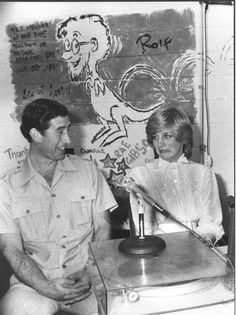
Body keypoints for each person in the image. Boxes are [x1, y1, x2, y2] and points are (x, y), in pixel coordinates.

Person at [0, 98, 118, 315]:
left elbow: (103, 227)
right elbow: (12, 249)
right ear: (36, 135)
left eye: (68, 130)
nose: (67, 139)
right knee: (14, 309)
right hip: (34, 285)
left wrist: (91, 272)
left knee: (127, 307)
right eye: (60, 131)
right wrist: (45, 286)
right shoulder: (7, 186)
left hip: (87, 280)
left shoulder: (89, 171)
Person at [128, 106, 224, 244]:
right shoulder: (140, 175)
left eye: (167, 136)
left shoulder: (203, 173)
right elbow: (144, 229)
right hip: (157, 248)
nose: (160, 144)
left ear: (183, 137)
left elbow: (211, 223)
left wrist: (205, 241)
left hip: (198, 247)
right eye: (155, 137)